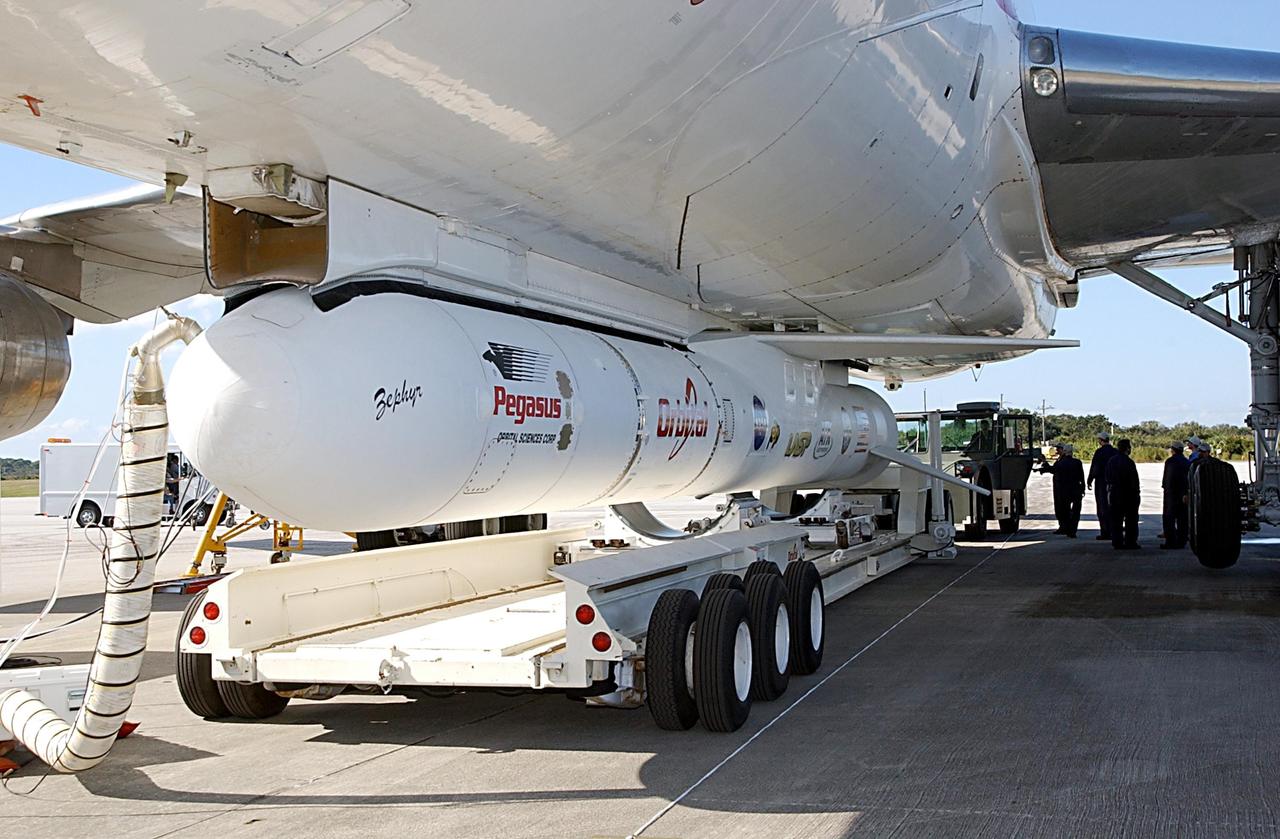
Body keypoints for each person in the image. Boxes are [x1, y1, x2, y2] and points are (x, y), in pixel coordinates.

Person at [1038, 442, 1085, 537]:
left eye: (1059, 449)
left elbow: (1053, 470)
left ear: (1064, 451)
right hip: (1075, 490)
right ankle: (1072, 530)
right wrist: (1083, 489)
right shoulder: (1077, 462)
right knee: (1076, 511)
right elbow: (1081, 477)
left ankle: (1066, 528)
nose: (1057, 450)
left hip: (1063, 491)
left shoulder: (1060, 463)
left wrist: (1044, 463)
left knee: (1064, 510)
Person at [1105, 438, 1141, 549]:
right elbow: (1134, 481)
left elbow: (1107, 477)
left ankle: (1117, 542)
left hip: (1115, 493)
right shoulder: (1129, 462)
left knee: (1116, 520)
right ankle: (1130, 541)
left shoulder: (1111, 461)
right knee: (1131, 520)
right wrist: (1137, 494)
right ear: (1127, 449)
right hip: (1128, 494)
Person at [1086, 432, 1117, 541]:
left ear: (1100, 440)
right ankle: (1114, 531)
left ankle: (1105, 532)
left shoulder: (1099, 452)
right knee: (1113, 508)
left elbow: (1095, 467)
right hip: (1113, 483)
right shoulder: (1115, 451)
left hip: (1101, 483)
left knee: (1102, 507)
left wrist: (1090, 479)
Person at [1161, 442, 1189, 549]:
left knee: (1169, 518)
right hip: (1183, 493)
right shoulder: (1187, 462)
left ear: (1173, 450)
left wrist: (1166, 489)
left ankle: (1171, 541)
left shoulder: (1170, 461)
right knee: (1182, 519)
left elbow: (1167, 479)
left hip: (1171, 494)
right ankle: (1182, 541)